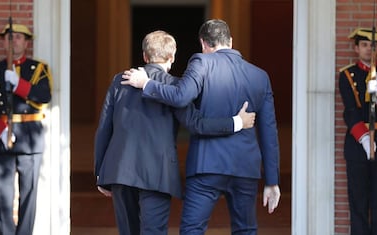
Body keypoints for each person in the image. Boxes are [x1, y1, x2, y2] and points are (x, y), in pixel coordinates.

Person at [122, 19, 280, 235]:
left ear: (203, 44)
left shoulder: (201, 62)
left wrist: (147, 84)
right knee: (246, 230)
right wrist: (272, 182)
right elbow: (269, 132)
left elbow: (180, 97)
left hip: (207, 165)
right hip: (245, 167)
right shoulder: (260, 76)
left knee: (192, 230)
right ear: (230, 42)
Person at [94, 30, 255, 235]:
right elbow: (197, 124)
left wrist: (101, 172)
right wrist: (236, 122)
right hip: (157, 173)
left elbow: (104, 128)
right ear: (172, 56)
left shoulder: (120, 80)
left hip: (119, 171)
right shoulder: (175, 87)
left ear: (145, 56)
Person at [0, 23, 52, 235]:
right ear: (4, 42)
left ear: (27, 42)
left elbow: (44, 96)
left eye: (19, 37)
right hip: (3, 139)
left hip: (30, 139)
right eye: (9, 37)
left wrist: (19, 84)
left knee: (28, 196)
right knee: (2, 197)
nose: (14, 41)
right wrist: (1, 131)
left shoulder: (39, 68)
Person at [338, 27, 377, 235]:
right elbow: (350, 111)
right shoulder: (347, 75)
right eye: (365, 45)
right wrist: (364, 139)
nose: (369, 49)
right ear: (356, 48)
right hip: (357, 144)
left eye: (373, 46)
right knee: (358, 201)